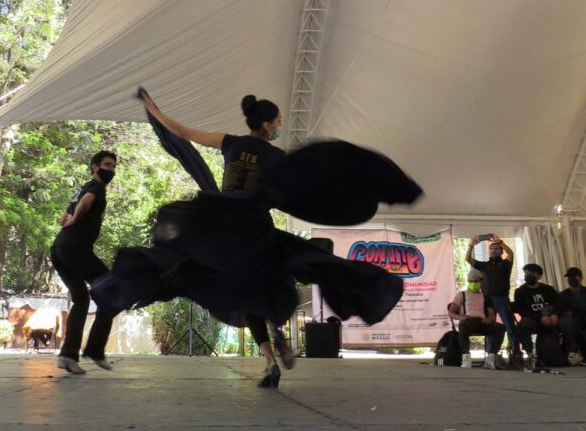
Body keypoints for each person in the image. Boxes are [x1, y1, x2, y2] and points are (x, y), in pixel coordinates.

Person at [89, 91, 420, 388]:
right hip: (254, 230)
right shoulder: (276, 158)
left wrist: (153, 110)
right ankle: (277, 338)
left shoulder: (230, 142)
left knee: (239, 289)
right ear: (266, 124)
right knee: (268, 282)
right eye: (277, 121)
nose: (279, 125)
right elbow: (310, 184)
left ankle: (270, 358)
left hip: (220, 227)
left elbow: (183, 132)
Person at [51, 150, 117, 374]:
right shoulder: (96, 188)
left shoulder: (83, 187)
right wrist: (75, 220)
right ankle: (95, 350)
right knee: (112, 292)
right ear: (95, 167)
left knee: (81, 299)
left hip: (59, 249)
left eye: (113, 166)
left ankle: (68, 356)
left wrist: (68, 219)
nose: (111, 170)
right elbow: (86, 203)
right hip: (74, 248)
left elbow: (66, 214)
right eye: (107, 165)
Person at [466, 234, 521, 366]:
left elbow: (511, 253)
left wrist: (500, 242)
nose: (494, 250)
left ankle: (516, 353)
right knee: (490, 326)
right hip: (487, 299)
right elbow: (468, 258)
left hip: (502, 298)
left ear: (501, 251)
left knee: (510, 326)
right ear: (488, 251)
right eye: (492, 248)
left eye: (497, 249)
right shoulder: (484, 265)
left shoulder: (506, 264)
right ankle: (490, 355)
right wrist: (471, 245)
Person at [448, 269, 506, 369]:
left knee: (500, 328)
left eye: (476, 281)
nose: (474, 283)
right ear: (468, 281)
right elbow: (451, 312)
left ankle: (491, 358)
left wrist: (489, 319)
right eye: (471, 281)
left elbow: (492, 315)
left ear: (481, 281)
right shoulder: (462, 295)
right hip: (468, 321)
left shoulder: (486, 297)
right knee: (463, 325)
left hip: (482, 322)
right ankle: (466, 357)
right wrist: (462, 317)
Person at [513, 263, 560, 366]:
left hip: (552, 319)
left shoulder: (548, 289)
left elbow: (559, 304)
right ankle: (530, 354)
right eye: (526, 273)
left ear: (539, 276)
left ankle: (571, 352)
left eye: (531, 273)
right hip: (533, 320)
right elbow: (522, 311)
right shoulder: (520, 291)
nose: (527, 276)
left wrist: (555, 315)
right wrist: (540, 317)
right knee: (523, 325)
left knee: (567, 322)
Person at [557, 267, 586, 365]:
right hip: (572, 321)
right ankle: (573, 352)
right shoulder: (563, 295)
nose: (571, 280)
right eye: (569, 278)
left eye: (574, 277)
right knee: (567, 323)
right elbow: (560, 310)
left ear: (581, 278)